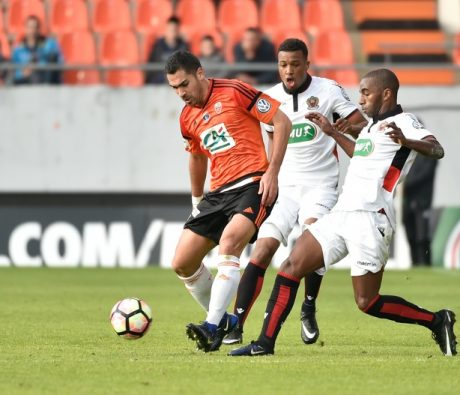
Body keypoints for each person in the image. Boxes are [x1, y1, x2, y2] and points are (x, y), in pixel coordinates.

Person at [229, 68, 457, 357]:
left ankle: (437, 320)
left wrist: (407, 141)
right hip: (341, 214)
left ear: (386, 93)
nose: (360, 100)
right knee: (290, 267)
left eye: (365, 92)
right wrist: (333, 133)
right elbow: (359, 156)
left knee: (367, 301)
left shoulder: (404, 121)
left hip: (371, 217)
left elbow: (437, 150)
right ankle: (264, 343)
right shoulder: (372, 127)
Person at [223, 38, 367, 346]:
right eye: (283, 65)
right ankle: (235, 324)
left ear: (307, 64)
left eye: (295, 64)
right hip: (285, 187)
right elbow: (273, 140)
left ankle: (308, 306)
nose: (288, 71)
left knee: (310, 247)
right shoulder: (271, 98)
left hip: (321, 186)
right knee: (262, 251)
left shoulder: (329, 91)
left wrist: (336, 126)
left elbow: (361, 124)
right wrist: (269, 175)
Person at [165, 50, 292, 353]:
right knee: (182, 262)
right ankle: (226, 322)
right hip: (217, 194)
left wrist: (272, 172)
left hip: (252, 184)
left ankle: (211, 327)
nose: (181, 93)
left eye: (184, 84)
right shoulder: (187, 118)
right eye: (174, 88)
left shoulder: (234, 91)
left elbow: (281, 120)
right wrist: (197, 199)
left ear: (200, 73)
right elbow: (196, 157)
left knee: (229, 243)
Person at [402, 153, 438, 266]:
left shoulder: (430, 154)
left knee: (422, 237)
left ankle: (426, 265)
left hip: (423, 202)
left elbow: (424, 174)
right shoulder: (408, 154)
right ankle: (415, 264)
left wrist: (404, 184)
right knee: (411, 235)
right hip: (408, 202)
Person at [11, 15, 63, 85]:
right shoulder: (18, 50)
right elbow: (12, 71)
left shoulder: (49, 44)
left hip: (46, 81)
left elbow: (60, 62)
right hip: (25, 83)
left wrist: (37, 67)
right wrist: (23, 73)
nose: (32, 30)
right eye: (29, 27)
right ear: (25, 29)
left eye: (35, 27)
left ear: (39, 29)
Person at [145, 16, 189, 84]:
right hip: (159, 84)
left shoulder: (183, 46)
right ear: (166, 29)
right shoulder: (158, 45)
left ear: (178, 30)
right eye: (170, 29)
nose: (172, 32)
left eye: (174, 29)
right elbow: (152, 68)